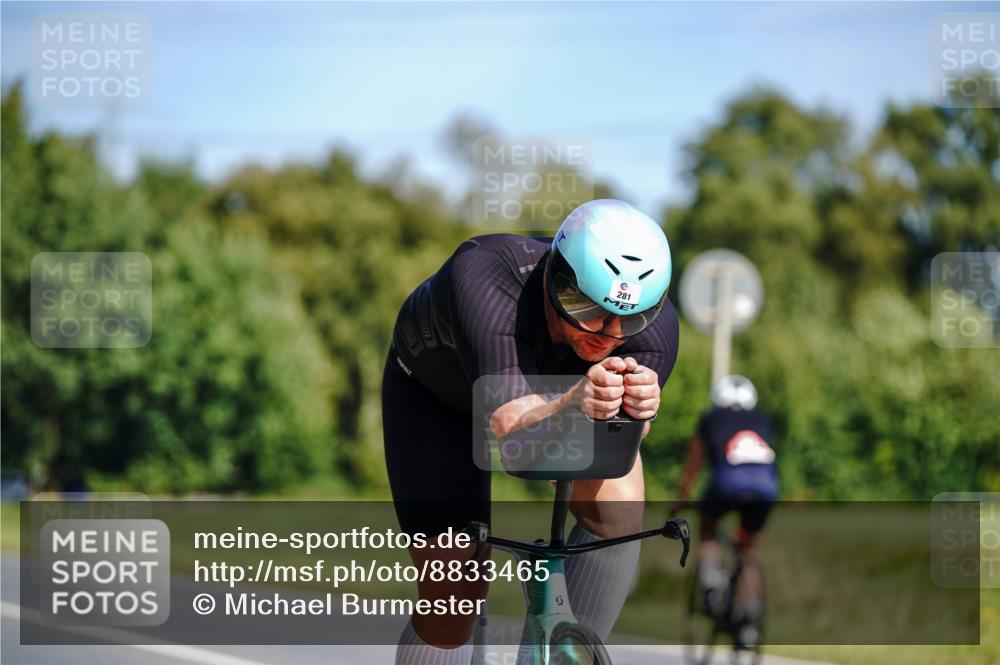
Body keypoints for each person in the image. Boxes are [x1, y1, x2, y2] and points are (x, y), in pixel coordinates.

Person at [383, 199, 679, 665]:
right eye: (587, 309)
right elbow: (515, 441)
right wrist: (576, 401)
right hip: (438, 395)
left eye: (631, 319)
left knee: (618, 510)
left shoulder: (654, 331)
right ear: (555, 279)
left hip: (557, 399)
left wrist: (634, 413)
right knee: (453, 604)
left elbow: (614, 451)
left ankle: (560, 652)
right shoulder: (486, 274)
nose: (608, 334)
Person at [672, 375, 778, 637]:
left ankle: (710, 583)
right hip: (766, 489)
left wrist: (682, 498)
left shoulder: (711, 418)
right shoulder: (763, 419)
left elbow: (694, 461)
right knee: (747, 551)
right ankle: (750, 622)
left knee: (708, 527)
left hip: (726, 484)